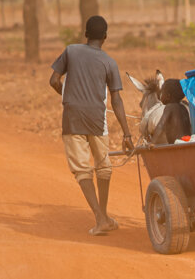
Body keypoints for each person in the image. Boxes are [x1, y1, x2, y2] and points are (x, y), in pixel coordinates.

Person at [49, 15, 134, 236]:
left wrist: (66, 96)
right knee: (103, 166)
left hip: (73, 118)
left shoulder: (71, 51)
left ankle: (100, 218)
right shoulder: (109, 62)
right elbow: (116, 100)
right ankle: (103, 215)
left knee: (82, 170)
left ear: (85, 34)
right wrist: (127, 133)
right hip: (98, 119)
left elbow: (53, 81)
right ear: (105, 37)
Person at [150, 79, 191, 145]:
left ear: (168, 96)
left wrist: (152, 142)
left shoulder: (169, 107)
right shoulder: (184, 108)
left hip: (175, 145)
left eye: (162, 93)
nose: (161, 96)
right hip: (186, 142)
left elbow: (161, 124)